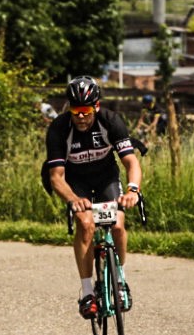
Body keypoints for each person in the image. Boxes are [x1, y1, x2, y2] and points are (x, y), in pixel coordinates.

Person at [44, 75, 143, 319]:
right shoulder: (59, 129)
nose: (80, 116)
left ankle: (120, 280)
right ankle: (87, 292)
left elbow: (131, 161)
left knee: (117, 226)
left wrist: (133, 190)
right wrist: (72, 199)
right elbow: (56, 176)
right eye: (76, 109)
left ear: (95, 107)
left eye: (85, 110)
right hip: (75, 181)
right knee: (86, 224)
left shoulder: (111, 121)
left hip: (106, 178)